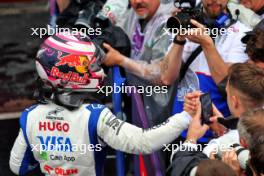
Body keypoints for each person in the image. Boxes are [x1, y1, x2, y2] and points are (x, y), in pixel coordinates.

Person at [9, 33, 194, 176]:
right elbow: (143, 142)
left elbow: (18, 167)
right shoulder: (95, 115)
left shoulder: (29, 116)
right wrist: (186, 117)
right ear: (69, 73)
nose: (99, 72)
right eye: (91, 66)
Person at [103, 0, 250, 142]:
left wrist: (207, 44)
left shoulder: (240, 34)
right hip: (180, 129)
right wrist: (179, 39)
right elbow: (166, 77)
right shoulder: (192, 28)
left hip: (217, 133)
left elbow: (228, 84)